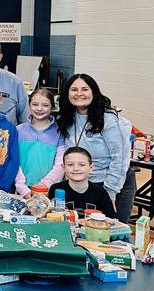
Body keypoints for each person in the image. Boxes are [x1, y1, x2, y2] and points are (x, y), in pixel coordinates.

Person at [48, 147, 130, 291]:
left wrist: (100, 222)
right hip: (67, 243)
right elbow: (48, 217)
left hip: (96, 244)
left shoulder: (99, 192)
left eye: (81, 164)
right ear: (63, 167)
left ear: (91, 168)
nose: (76, 168)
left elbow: (114, 221)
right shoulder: (56, 190)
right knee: (70, 265)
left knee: (112, 267)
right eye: (70, 164)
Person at [56, 73, 134, 224]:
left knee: (113, 230)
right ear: (67, 94)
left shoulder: (107, 118)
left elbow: (120, 158)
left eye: (85, 89)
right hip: (84, 183)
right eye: (74, 89)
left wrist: (110, 193)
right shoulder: (66, 118)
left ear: (93, 92)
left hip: (114, 183)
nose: (79, 93)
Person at [14, 88, 65, 197]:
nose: (39, 109)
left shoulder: (59, 133)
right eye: (35, 104)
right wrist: (23, 189)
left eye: (45, 105)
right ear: (29, 105)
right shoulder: (18, 130)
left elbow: (60, 165)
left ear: (53, 107)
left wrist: (42, 187)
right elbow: (13, 161)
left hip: (48, 190)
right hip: (21, 190)